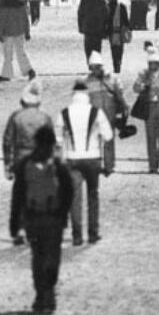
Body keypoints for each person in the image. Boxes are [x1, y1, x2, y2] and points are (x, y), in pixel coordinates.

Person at [14, 125, 75, 315]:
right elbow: (68, 192)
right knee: (49, 258)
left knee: (40, 258)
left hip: (37, 217)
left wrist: (15, 223)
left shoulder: (27, 164)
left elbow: (18, 195)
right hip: (51, 218)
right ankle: (46, 294)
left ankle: (43, 295)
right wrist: (63, 214)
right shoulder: (57, 166)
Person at [56, 81, 114, 246]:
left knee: (75, 197)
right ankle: (93, 233)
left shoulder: (64, 113)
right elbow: (108, 136)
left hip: (73, 158)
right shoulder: (96, 112)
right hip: (93, 157)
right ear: (87, 94)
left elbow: (58, 140)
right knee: (93, 195)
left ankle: (76, 235)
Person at [4, 80, 53, 245]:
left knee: (19, 195)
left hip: (21, 158)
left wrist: (7, 164)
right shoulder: (44, 117)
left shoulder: (16, 116)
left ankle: (18, 229)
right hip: (39, 159)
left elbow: (7, 141)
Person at [83, 51, 128, 173]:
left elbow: (120, 94)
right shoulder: (86, 81)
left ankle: (109, 165)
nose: (96, 69)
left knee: (109, 139)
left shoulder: (112, 78)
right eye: (94, 67)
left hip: (109, 113)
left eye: (98, 66)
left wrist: (125, 106)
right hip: (95, 115)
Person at [0, 0, 35, 82]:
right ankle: (29, 70)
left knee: (8, 54)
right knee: (21, 52)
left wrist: (0, 33)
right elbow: (25, 19)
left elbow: (2, 21)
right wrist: (27, 32)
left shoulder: (4, 6)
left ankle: (7, 73)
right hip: (19, 31)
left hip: (8, 32)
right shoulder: (20, 5)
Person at [77, 0, 108, 65]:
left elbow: (80, 13)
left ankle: (89, 61)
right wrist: (106, 28)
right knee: (97, 46)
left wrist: (80, 26)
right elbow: (106, 15)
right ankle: (96, 63)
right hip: (99, 27)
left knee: (88, 46)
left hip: (87, 27)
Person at [104, 0, 131, 75]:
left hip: (112, 32)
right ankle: (118, 63)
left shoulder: (107, 7)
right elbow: (126, 21)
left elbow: (105, 21)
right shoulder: (122, 7)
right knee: (120, 50)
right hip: (121, 32)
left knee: (113, 50)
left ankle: (116, 65)